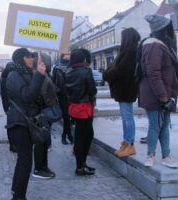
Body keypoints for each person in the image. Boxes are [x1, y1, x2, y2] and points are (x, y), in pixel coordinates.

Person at [6, 48, 46, 200]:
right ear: (21, 58)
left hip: (25, 122)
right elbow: (27, 95)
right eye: (29, 57)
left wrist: (40, 74)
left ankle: (16, 193)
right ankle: (19, 197)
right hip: (18, 123)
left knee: (23, 161)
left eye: (32, 57)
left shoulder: (25, 73)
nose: (32, 60)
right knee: (25, 162)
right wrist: (40, 76)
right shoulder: (14, 75)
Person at [140, 15, 178, 168]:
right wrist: (162, 95)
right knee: (156, 125)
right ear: (162, 30)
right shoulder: (154, 46)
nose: (172, 32)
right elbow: (153, 72)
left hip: (164, 94)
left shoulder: (160, 45)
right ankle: (151, 156)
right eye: (169, 29)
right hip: (156, 94)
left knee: (164, 124)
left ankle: (166, 155)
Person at [103, 28, 140, 157]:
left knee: (127, 117)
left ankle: (130, 144)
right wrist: (108, 72)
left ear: (128, 38)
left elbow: (120, 70)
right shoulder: (127, 51)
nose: (122, 39)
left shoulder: (131, 52)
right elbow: (115, 67)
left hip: (126, 89)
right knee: (125, 117)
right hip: (125, 90)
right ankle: (126, 142)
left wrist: (107, 74)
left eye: (123, 37)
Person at [66, 49, 97, 176]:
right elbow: (92, 89)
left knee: (82, 135)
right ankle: (80, 167)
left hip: (74, 106)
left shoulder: (68, 71)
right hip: (84, 107)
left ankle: (82, 164)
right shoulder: (86, 71)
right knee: (84, 136)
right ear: (83, 59)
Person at [32, 52, 57, 179]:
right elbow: (41, 94)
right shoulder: (39, 75)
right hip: (42, 112)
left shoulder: (43, 74)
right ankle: (38, 168)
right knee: (40, 141)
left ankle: (44, 166)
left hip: (44, 112)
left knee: (44, 140)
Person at [52, 53, 73, 145]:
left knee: (70, 117)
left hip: (72, 95)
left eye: (70, 54)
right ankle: (66, 135)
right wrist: (58, 91)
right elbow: (53, 82)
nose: (69, 55)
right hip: (62, 96)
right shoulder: (57, 68)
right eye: (67, 54)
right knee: (66, 117)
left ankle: (67, 135)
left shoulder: (73, 66)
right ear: (63, 56)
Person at [0, 62, 17, 153]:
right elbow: (3, 95)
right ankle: (12, 145)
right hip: (11, 106)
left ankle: (14, 145)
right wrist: (6, 108)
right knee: (11, 126)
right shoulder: (4, 78)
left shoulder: (8, 77)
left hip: (13, 106)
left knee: (12, 126)